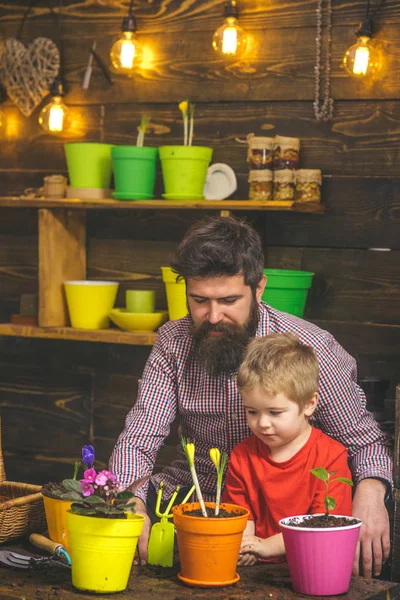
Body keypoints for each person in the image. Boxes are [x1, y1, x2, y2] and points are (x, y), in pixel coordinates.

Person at [110, 215, 392, 577]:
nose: (213, 317)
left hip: (284, 512)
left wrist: (371, 495)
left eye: (228, 300)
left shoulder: (311, 348)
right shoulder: (173, 341)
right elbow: (139, 438)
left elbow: (363, 442)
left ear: (259, 288)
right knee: (103, 515)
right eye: (199, 301)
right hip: (195, 497)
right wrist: (129, 500)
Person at [222, 332, 353, 565]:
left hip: (312, 564)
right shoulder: (243, 455)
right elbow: (240, 515)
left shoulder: (330, 456)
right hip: (258, 569)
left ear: (309, 404)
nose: (262, 423)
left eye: (274, 412)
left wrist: (266, 546)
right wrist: (245, 546)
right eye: (252, 411)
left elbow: (325, 525)